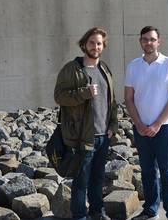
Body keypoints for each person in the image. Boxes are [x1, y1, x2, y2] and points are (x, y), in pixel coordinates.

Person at [54, 27, 118, 220]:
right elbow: (59, 97)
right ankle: (80, 216)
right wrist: (84, 93)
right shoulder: (71, 69)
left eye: (99, 43)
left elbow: (112, 102)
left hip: (103, 136)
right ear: (84, 44)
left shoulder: (104, 69)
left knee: (98, 178)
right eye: (92, 42)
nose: (95, 47)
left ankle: (97, 212)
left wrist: (113, 126)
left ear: (103, 46)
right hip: (82, 136)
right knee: (81, 181)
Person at [125, 26, 168, 220]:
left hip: (165, 127)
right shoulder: (133, 66)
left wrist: (157, 123)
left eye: (152, 39)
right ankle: (150, 209)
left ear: (159, 41)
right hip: (141, 127)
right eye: (144, 39)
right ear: (140, 42)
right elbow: (129, 98)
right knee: (148, 170)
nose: (148, 43)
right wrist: (138, 123)